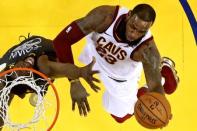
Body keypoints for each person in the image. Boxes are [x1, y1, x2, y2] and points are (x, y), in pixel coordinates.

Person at [53, 3, 179, 123]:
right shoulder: (104, 17)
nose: (134, 34)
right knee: (53, 60)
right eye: (133, 27)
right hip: (93, 61)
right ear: (128, 15)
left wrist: (163, 108)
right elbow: (61, 41)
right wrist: (74, 81)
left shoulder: (148, 50)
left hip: (120, 79)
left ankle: (163, 76)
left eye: (141, 32)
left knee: (119, 117)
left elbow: (155, 86)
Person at [0, 35, 100, 124]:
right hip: (49, 59)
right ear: (30, 79)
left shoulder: (6, 64)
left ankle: (36, 92)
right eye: (24, 74)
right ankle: (40, 89)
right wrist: (78, 77)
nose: (23, 68)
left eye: (16, 71)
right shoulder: (43, 66)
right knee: (46, 74)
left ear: (11, 68)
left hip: (27, 63)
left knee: (4, 85)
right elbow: (67, 69)